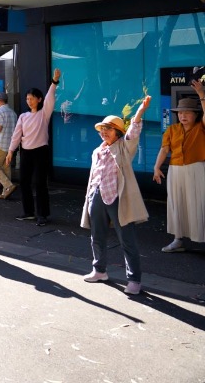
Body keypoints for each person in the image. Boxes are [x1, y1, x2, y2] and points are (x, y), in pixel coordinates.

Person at [81, 96, 151, 295]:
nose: (104, 132)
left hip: (118, 197)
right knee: (97, 235)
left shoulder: (123, 146)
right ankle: (99, 270)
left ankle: (134, 279)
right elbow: (94, 175)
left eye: (108, 129)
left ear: (118, 133)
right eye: (103, 129)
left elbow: (134, 130)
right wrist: (90, 196)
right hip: (97, 194)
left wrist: (139, 112)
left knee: (127, 239)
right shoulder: (97, 151)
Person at [152, 82, 205, 253]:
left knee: (199, 203)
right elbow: (164, 149)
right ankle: (178, 239)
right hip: (175, 170)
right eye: (180, 113)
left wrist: (201, 93)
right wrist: (156, 167)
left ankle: (200, 237)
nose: (183, 116)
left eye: (187, 113)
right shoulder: (172, 130)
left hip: (196, 168)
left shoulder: (201, 127)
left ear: (195, 115)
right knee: (177, 203)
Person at [6, 68, 62, 226]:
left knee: (40, 183)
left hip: (41, 152)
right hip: (26, 153)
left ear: (39, 99)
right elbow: (17, 135)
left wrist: (54, 82)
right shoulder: (23, 116)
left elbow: (50, 99)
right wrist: (11, 151)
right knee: (24, 182)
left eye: (31, 98)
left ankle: (42, 215)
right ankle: (28, 212)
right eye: (27, 99)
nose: (29, 101)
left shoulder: (44, 114)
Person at [0, 92, 18, 199]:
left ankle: (8, 185)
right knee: (6, 167)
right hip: (10, 145)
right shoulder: (13, 113)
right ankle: (5, 192)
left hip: (0, 144)